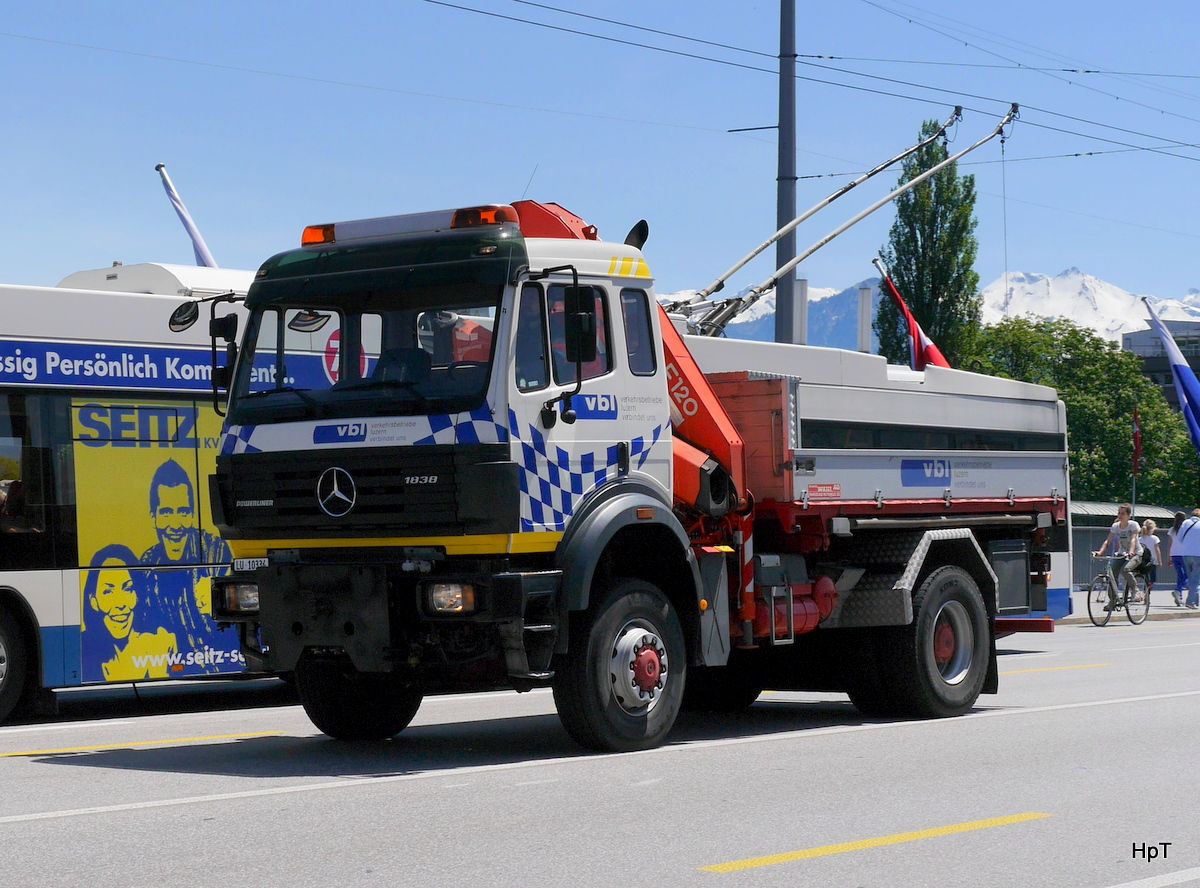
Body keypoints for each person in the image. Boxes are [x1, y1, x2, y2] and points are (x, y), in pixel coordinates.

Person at [139, 459, 235, 674]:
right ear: (153, 517)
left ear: (192, 514)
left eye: (183, 512)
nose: (175, 525)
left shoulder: (216, 551)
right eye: (165, 513)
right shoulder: (146, 564)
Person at [82, 544, 177, 682]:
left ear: (138, 595)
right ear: (93, 601)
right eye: (108, 592)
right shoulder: (81, 648)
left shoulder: (161, 641)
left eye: (127, 589)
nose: (120, 604)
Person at [1093, 503, 1143, 610]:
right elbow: (1108, 541)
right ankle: (1113, 600)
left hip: (1136, 553)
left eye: (1123, 514)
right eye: (1119, 513)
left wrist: (1131, 551)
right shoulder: (1116, 526)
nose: (1120, 516)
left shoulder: (1133, 525)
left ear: (1129, 515)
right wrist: (1100, 552)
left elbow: (1134, 539)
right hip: (1122, 553)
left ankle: (1136, 590)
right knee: (1112, 574)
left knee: (1125, 570)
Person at [1174, 509, 1200, 610]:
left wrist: (1186, 547)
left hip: (1186, 554)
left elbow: (1179, 538)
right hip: (1198, 555)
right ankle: (1191, 601)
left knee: (1191, 578)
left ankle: (1195, 601)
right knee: (1195, 579)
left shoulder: (1185, 523)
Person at [1167, 511, 1189, 607]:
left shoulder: (1172, 529)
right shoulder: (1185, 529)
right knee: (1187, 574)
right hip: (1184, 553)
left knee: (1180, 575)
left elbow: (1170, 543)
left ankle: (1179, 597)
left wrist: (1169, 556)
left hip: (1174, 554)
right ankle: (1178, 590)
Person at [1140, 519, 1161, 595]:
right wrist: (1159, 561)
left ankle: (1146, 592)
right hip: (1153, 561)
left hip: (1143, 561)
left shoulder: (1140, 539)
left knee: (1146, 578)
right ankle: (1147, 591)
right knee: (1152, 579)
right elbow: (1157, 550)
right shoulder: (1154, 538)